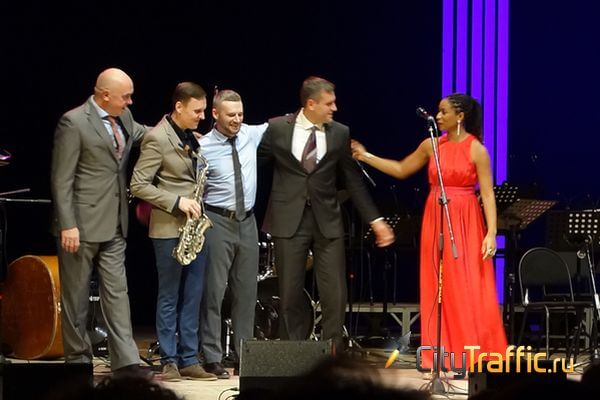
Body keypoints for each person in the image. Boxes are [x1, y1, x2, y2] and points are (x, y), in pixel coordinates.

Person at [351, 93, 507, 370]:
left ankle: (469, 354)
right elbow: (401, 169)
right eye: (438, 111)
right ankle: (440, 354)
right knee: (437, 286)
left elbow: (487, 194)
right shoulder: (431, 145)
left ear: (460, 116)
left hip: (466, 219)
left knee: (464, 285)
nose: (438, 116)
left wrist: (491, 233)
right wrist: (365, 156)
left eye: (444, 111)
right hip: (435, 217)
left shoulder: (477, 150)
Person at [257, 76, 395, 352]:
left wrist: (376, 220)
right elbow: (254, 164)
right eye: (329, 103)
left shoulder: (339, 133)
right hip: (288, 218)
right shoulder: (277, 128)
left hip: (327, 220)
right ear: (311, 104)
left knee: (335, 291)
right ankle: (292, 354)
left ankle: (333, 353)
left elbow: (353, 180)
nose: (335, 108)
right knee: (289, 292)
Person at [50, 67, 149, 376]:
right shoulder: (74, 122)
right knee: (76, 298)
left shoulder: (125, 118)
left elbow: (146, 134)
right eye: (125, 96)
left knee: (118, 293)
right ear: (105, 95)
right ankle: (78, 361)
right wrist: (67, 224)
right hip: (80, 225)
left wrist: (180, 129)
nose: (130, 102)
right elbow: (61, 179)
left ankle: (126, 362)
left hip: (115, 222)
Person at [129, 82, 217, 382]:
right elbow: (138, 184)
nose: (202, 117)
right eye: (197, 111)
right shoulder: (157, 138)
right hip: (168, 228)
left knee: (193, 296)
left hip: (195, 229)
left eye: (204, 110)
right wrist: (177, 201)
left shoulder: (190, 137)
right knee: (169, 296)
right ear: (178, 107)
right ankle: (169, 360)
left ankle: (189, 358)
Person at [198, 90, 268, 378]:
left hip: (247, 221)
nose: (237, 120)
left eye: (240, 114)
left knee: (246, 292)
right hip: (217, 221)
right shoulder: (203, 147)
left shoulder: (250, 134)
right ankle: (211, 356)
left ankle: (244, 355)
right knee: (213, 292)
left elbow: (280, 125)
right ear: (215, 114)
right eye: (231, 115)